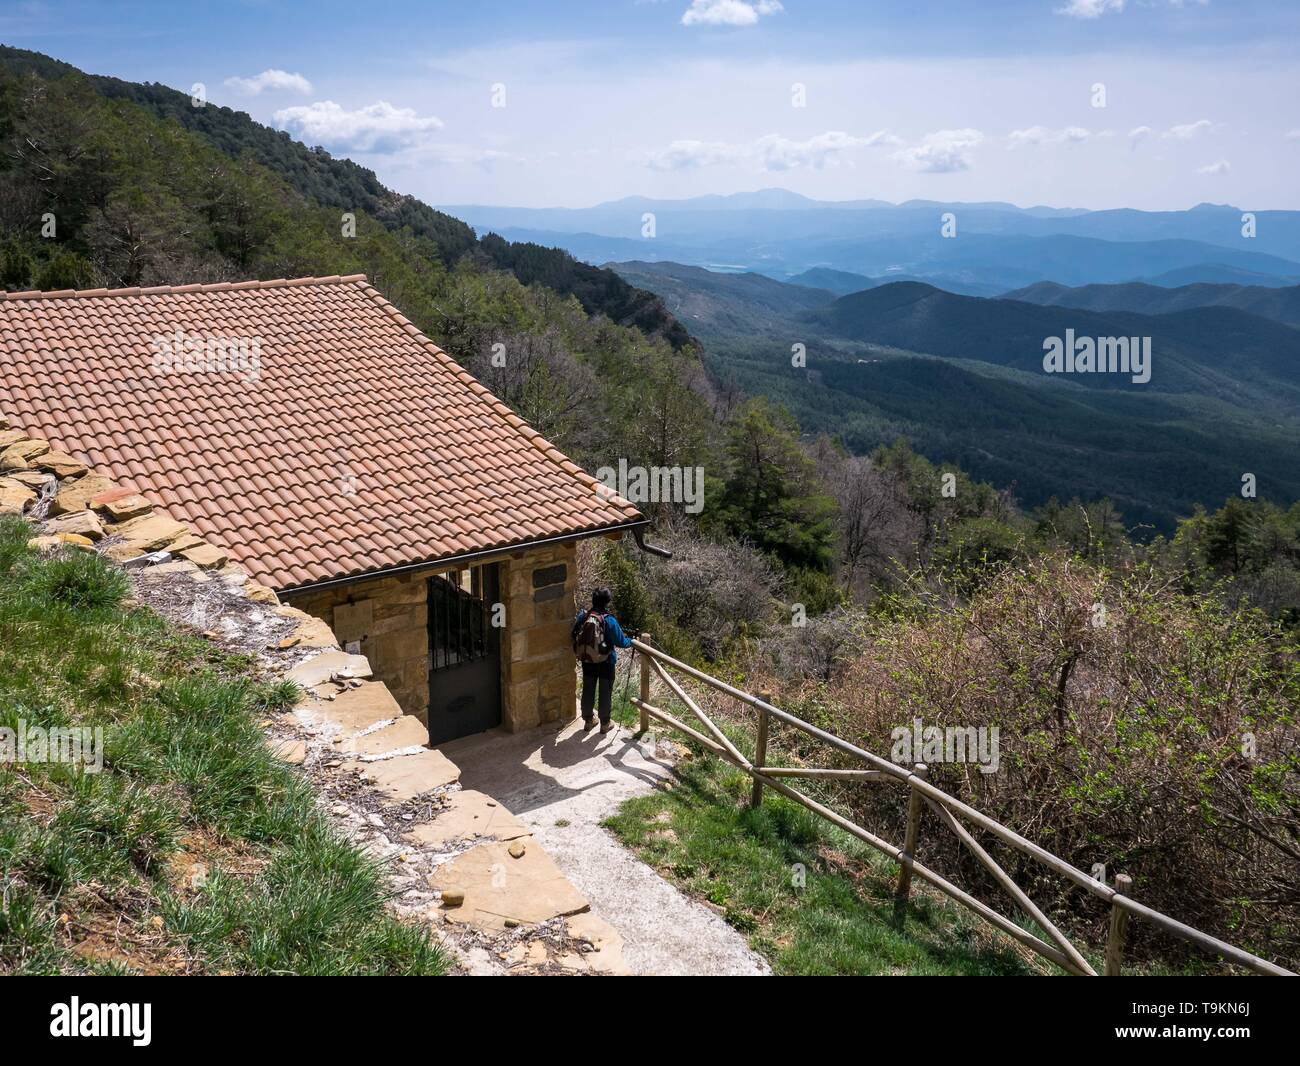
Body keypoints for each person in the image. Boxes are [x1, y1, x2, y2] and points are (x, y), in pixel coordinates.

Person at [572, 586, 634, 734]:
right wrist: (632, 641)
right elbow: (621, 642)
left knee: (588, 689)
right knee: (605, 691)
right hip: (606, 661)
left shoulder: (584, 616)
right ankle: (605, 723)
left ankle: (588, 720)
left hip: (587, 660)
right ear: (607, 602)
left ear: (593, 600)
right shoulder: (609, 620)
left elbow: (573, 633)